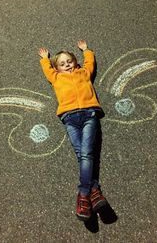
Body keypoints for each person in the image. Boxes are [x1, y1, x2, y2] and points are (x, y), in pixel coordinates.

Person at [38, 40, 108, 222]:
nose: (66, 65)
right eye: (61, 64)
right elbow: (48, 70)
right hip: (69, 118)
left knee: (86, 154)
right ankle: (95, 192)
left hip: (89, 114)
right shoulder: (56, 78)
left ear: (75, 62)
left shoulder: (83, 73)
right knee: (81, 154)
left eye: (69, 61)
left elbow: (90, 63)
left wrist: (86, 51)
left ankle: (84, 194)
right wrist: (45, 59)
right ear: (57, 68)